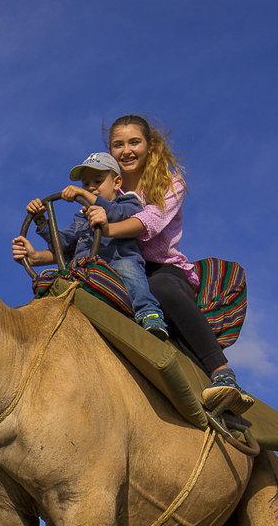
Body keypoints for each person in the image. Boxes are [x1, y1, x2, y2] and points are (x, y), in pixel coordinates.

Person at [101, 114, 242, 413]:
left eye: (134, 142)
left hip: (161, 268)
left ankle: (220, 370)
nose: (126, 150)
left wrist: (108, 228)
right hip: (119, 265)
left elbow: (149, 221)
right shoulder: (105, 187)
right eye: (118, 144)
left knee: (159, 287)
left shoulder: (169, 183)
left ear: (150, 146)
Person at [11, 152, 169, 341]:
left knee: (130, 270)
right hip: (82, 269)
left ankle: (149, 312)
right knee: (52, 283)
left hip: (116, 262)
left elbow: (117, 214)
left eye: (98, 181)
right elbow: (60, 243)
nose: (91, 187)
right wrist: (41, 221)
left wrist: (85, 195)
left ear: (117, 183)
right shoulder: (81, 217)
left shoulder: (128, 202)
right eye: (86, 184)